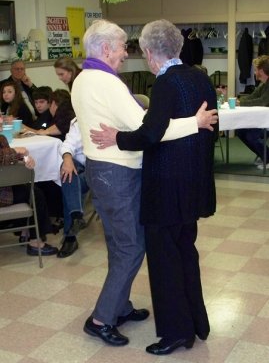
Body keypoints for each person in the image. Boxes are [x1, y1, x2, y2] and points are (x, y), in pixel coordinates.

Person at [71, 19, 218, 347]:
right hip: (117, 172)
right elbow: (148, 128)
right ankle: (102, 318)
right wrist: (194, 122)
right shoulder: (107, 82)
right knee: (131, 245)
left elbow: (144, 125)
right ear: (107, 48)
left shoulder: (84, 78)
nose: (126, 53)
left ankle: (119, 305)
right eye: (123, 47)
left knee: (119, 242)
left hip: (103, 170)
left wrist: (137, 124)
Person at [0, 134, 58, 256]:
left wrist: (24, 160)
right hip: (3, 193)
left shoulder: (1, 139)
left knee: (33, 191)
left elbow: (8, 163)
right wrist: (15, 152)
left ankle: (25, 232)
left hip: (5, 187)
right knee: (35, 195)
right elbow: (6, 156)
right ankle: (35, 242)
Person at [57, 117, 89, 258]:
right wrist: (67, 158)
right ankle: (76, 217)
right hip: (80, 168)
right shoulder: (79, 121)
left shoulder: (109, 115)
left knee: (69, 187)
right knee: (67, 171)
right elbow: (68, 143)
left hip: (101, 168)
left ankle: (70, 236)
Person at [236, 55, 269, 169]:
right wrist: (239, 101)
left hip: (266, 123)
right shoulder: (263, 84)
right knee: (240, 132)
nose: (254, 72)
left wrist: (241, 103)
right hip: (262, 120)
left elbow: (263, 101)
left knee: (251, 136)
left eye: (255, 69)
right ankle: (264, 155)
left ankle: (267, 158)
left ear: (261, 70)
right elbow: (252, 96)